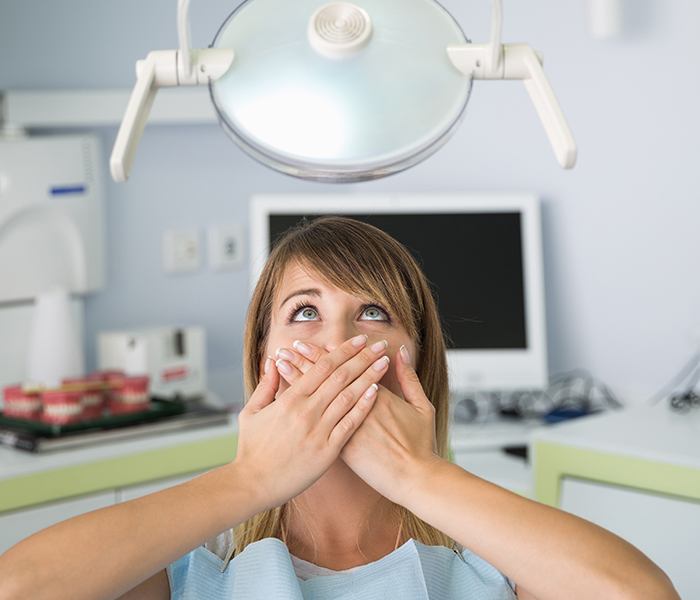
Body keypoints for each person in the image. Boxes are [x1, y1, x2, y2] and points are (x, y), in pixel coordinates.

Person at [0, 217, 678, 600]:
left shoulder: (491, 575)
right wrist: (250, 482)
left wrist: (418, 475)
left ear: (416, 360)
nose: (336, 341)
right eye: (304, 312)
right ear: (261, 356)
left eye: (372, 313)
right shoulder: (193, 578)